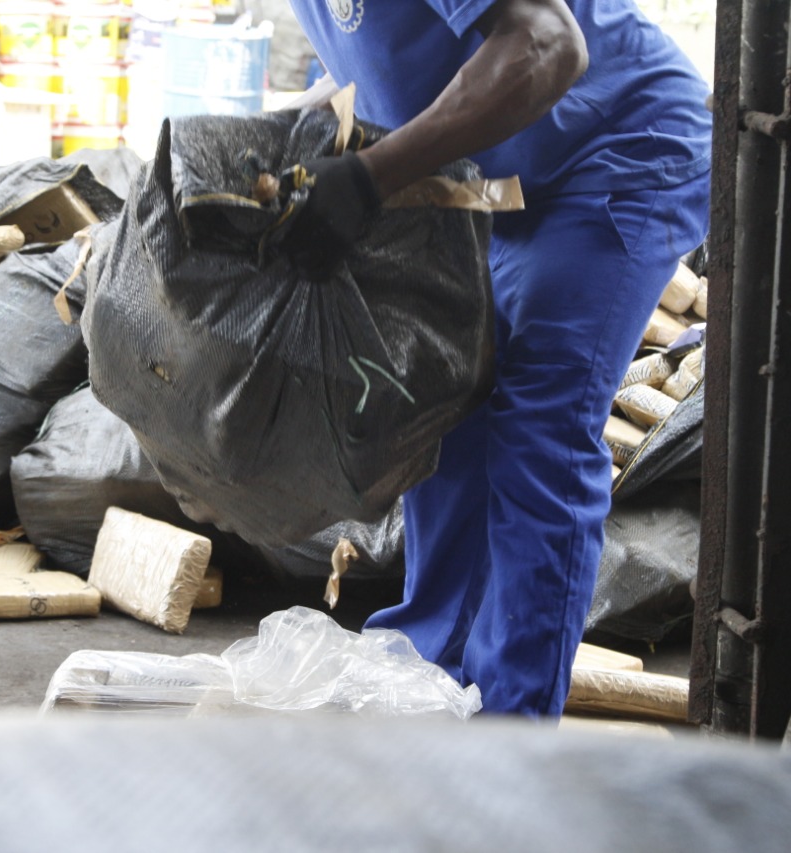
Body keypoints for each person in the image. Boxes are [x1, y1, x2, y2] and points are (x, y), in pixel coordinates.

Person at [284, 0, 712, 716]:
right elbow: (375, 58)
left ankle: (511, 723)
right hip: (494, 175)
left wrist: (367, 178)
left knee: (539, 426)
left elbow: (547, 43)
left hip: (616, 148)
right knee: (448, 409)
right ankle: (426, 678)